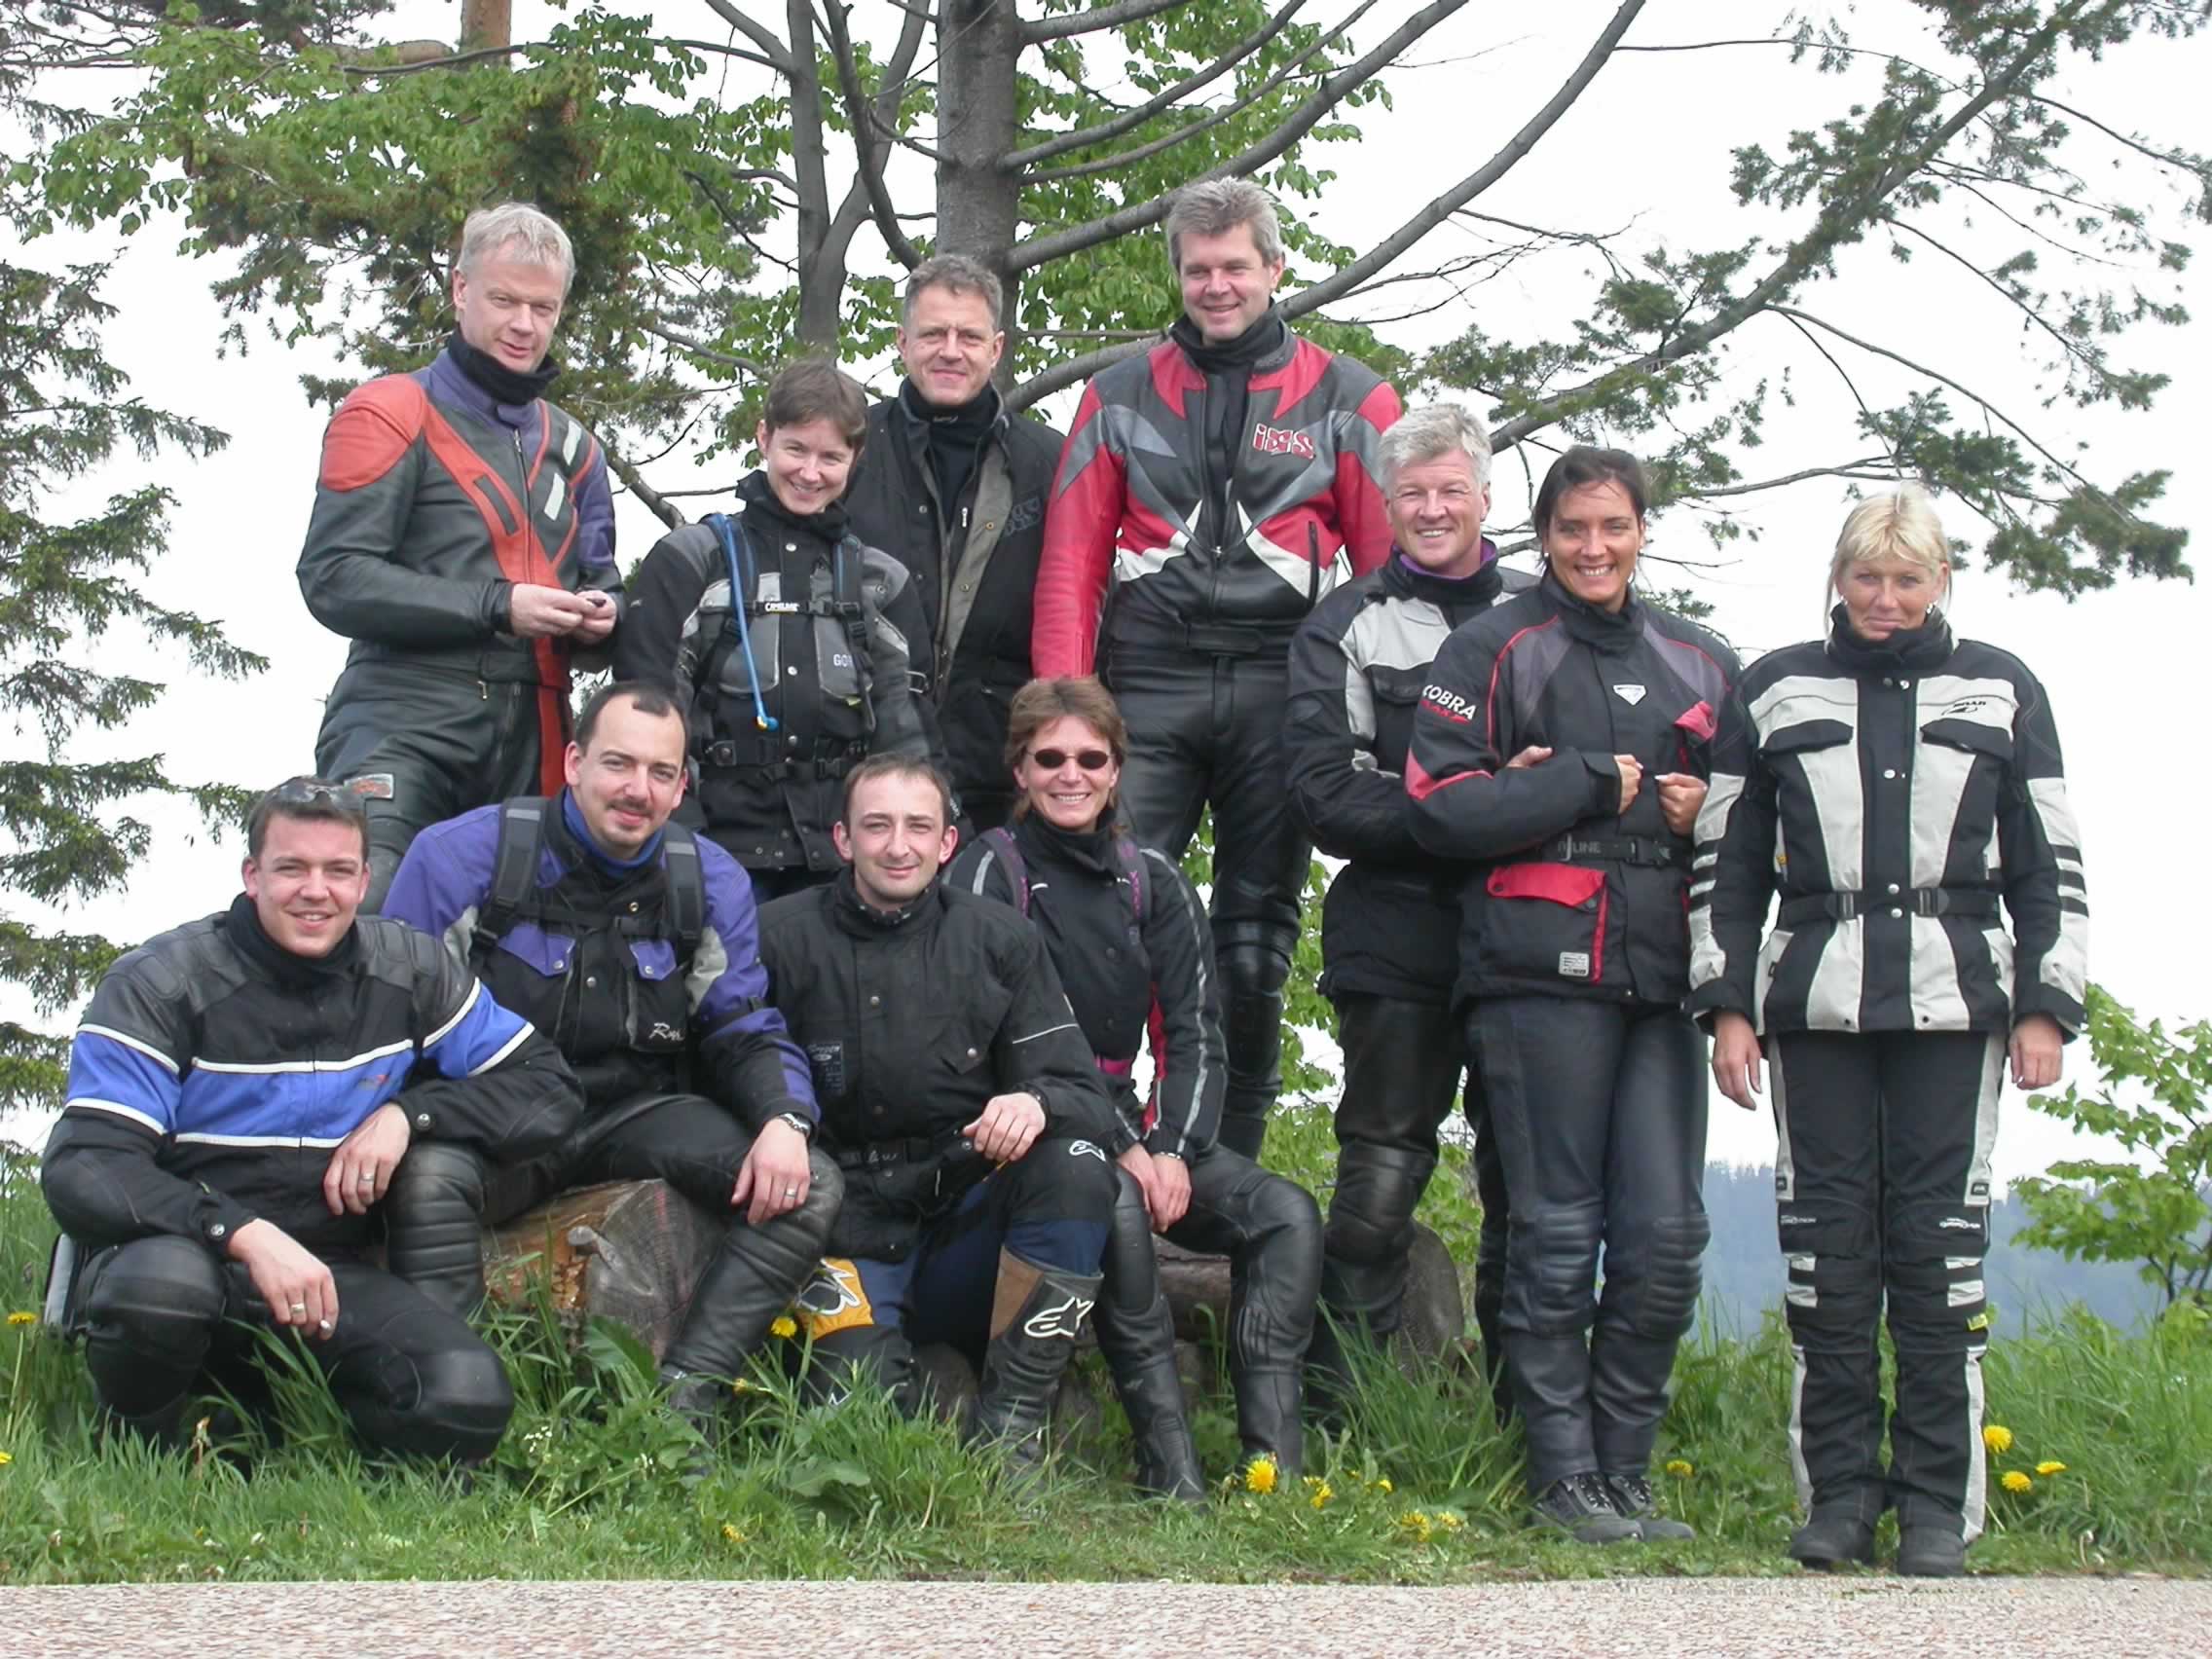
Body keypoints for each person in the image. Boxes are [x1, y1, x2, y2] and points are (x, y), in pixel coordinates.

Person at [1689, 487, 2086, 1576]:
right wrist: (1727, 1007)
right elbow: (1727, 860)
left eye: (1907, 580)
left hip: (1958, 1010)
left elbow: (2048, 855)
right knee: (1825, 1260)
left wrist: (2047, 1005)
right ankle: (1836, 1502)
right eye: (1867, 577)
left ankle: (1935, 1510)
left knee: (1938, 1258)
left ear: (1939, 580)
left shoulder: (2003, 687)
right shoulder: (1774, 687)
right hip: (1812, 1009)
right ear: (1839, 577)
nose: (1886, 599)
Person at [41, 778, 583, 1461]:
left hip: (331, 1272)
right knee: (161, 1292)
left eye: (338, 871)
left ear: (364, 881)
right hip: (186, 1252)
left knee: (466, 1393)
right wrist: (240, 1233)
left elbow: (548, 1089)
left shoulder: (410, 970)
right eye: (292, 868)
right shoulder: (159, 983)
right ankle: (134, 1457)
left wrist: (410, 1114)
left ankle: (311, 1450)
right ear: (252, 876)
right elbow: (85, 1166)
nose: (316, 891)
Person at [1406, 446, 1738, 1544]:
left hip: (1663, 975)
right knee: (1554, 1231)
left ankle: (1625, 1474)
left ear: (1642, 531)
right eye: (1573, 529)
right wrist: (1582, 780)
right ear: (1542, 536)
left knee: (1665, 1236)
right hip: (1531, 970)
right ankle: (1560, 1475)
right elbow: (1438, 806)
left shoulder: (1702, 659)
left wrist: (1704, 814)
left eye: (1613, 527)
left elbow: (1761, 825)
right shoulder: (1491, 646)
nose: (1594, 548)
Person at [1032, 179, 1402, 1159]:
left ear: (1274, 268)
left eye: (1235, 266)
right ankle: (1093, 1144)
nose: (1217, 286)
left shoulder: (1351, 397)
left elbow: (1385, 580)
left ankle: (1224, 1167)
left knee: (1253, 944)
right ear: (1178, 274)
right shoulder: (1116, 395)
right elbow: (1069, 565)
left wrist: (1391, 729)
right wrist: (1059, 713)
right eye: (1198, 270)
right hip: (1145, 684)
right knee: (1100, 911)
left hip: (1285, 686)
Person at [378, 682, 842, 1436]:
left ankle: (685, 1403)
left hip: (634, 1114)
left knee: (809, 1184)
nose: (638, 790)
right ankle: (457, 1405)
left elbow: (742, 1023)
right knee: (426, 1180)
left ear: (682, 787)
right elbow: (392, 1019)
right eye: (618, 764)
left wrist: (786, 1119)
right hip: (497, 1116)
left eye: (661, 773)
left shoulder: (709, 879)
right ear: (573, 763)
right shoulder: (462, 856)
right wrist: (402, 1116)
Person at [949, 678, 1322, 1496]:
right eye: (1050, 758)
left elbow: (1195, 1031)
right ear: (1020, 770)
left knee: (1285, 1214)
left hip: (1137, 1129)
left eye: (1091, 759)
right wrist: (1122, 1148)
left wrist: (1172, 1147)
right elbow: (989, 1039)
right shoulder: (986, 872)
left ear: (1117, 770)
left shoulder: (1151, 878)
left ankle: (1274, 1471)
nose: (1070, 775)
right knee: (1114, 1201)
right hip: (1029, 1134)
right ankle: (1170, 1469)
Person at [755, 756, 1121, 1473]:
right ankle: (927, 1394)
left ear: (948, 842)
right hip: (840, 1234)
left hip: (964, 1231)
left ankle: (1013, 1433)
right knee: (858, 1434)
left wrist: (1034, 1102)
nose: (899, 846)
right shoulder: (777, 938)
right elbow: (728, 1068)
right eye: (877, 826)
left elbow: (1085, 1095)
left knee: (1077, 1162)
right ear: (842, 839)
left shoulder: (1000, 938)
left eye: (919, 827)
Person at [1283, 403, 1526, 1425]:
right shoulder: (1344, 624)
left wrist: (1430, 802)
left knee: (1528, 1187)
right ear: (1385, 504)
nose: (1430, 510)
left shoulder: (1546, 614)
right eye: (1411, 494)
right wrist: (1494, 807)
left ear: (1485, 497)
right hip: (1393, 931)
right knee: (1378, 1179)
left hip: (1531, 936)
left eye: (1449, 490)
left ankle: (1526, 1426)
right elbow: (1325, 796)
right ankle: (1333, 1420)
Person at [300, 203, 620, 911]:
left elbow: (604, 583)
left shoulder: (577, 450)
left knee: (532, 947)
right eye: (505, 300)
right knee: (374, 915)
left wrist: (603, 619)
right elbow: (333, 577)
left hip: (540, 730)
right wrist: (498, 605)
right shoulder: (388, 410)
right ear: (460, 289)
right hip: (401, 715)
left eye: (543, 307)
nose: (524, 324)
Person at [613, 359, 943, 901]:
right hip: (711, 851)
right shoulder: (692, 561)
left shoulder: (881, 582)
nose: (810, 473)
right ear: (764, 437)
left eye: (830, 457)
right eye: (796, 449)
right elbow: (644, 713)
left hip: (845, 865)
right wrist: (682, 849)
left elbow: (909, 737)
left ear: (855, 458)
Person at [844, 256, 1064, 830]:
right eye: (933, 334)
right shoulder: (850, 452)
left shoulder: (1049, 462)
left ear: (996, 349)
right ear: (902, 342)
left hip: (1000, 769)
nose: (950, 351)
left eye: (968, 336)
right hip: (860, 755)